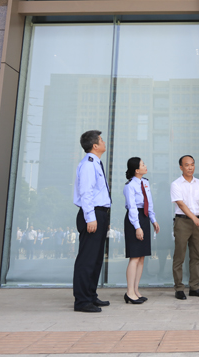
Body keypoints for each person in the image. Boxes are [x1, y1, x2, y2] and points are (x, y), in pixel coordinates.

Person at [72, 130, 111, 313]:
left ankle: (91, 295)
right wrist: (91, 218)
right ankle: (82, 301)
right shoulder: (88, 164)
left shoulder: (96, 163)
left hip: (99, 214)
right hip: (92, 214)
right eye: (101, 140)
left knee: (95, 260)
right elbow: (86, 193)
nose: (104, 142)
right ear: (95, 145)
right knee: (87, 259)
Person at [170, 155, 199, 300]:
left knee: (196, 256)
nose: (190, 167)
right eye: (187, 165)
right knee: (180, 256)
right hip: (183, 223)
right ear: (181, 167)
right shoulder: (176, 184)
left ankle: (194, 287)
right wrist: (194, 219)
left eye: (192, 164)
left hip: (197, 222)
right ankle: (179, 288)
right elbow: (181, 205)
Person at [123, 157, 160, 304]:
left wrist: (153, 220)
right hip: (134, 219)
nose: (145, 166)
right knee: (134, 257)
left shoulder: (145, 183)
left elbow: (149, 203)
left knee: (142, 257)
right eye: (143, 164)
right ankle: (129, 292)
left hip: (144, 217)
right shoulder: (130, 186)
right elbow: (132, 207)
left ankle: (136, 290)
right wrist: (137, 227)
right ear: (136, 170)